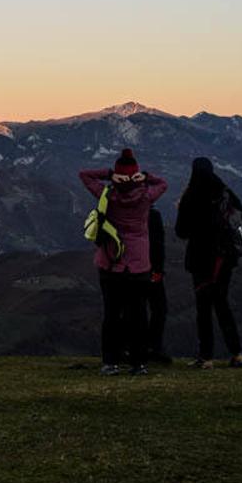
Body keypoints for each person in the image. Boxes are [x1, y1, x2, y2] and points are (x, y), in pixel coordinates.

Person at [79, 149, 169, 376]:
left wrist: (110, 174)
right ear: (135, 174)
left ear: (118, 175)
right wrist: (146, 177)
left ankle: (110, 362)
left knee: (111, 314)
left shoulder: (106, 195)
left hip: (111, 263)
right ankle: (139, 363)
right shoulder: (146, 196)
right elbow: (164, 183)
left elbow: (85, 175)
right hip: (139, 265)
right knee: (138, 314)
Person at [175, 157, 242, 369]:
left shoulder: (190, 195)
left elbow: (181, 232)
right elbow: (241, 218)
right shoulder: (225, 192)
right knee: (222, 305)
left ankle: (206, 358)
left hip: (200, 260)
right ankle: (237, 354)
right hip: (224, 259)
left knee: (203, 309)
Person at [145, 207, 170, 364]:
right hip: (150, 270)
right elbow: (157, 244)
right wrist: (158, 270)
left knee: (130, 309)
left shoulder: (120, 209)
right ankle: (153, 348)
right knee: (159, 308)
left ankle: (128, 347)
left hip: (125, 269)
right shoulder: (152, 215)